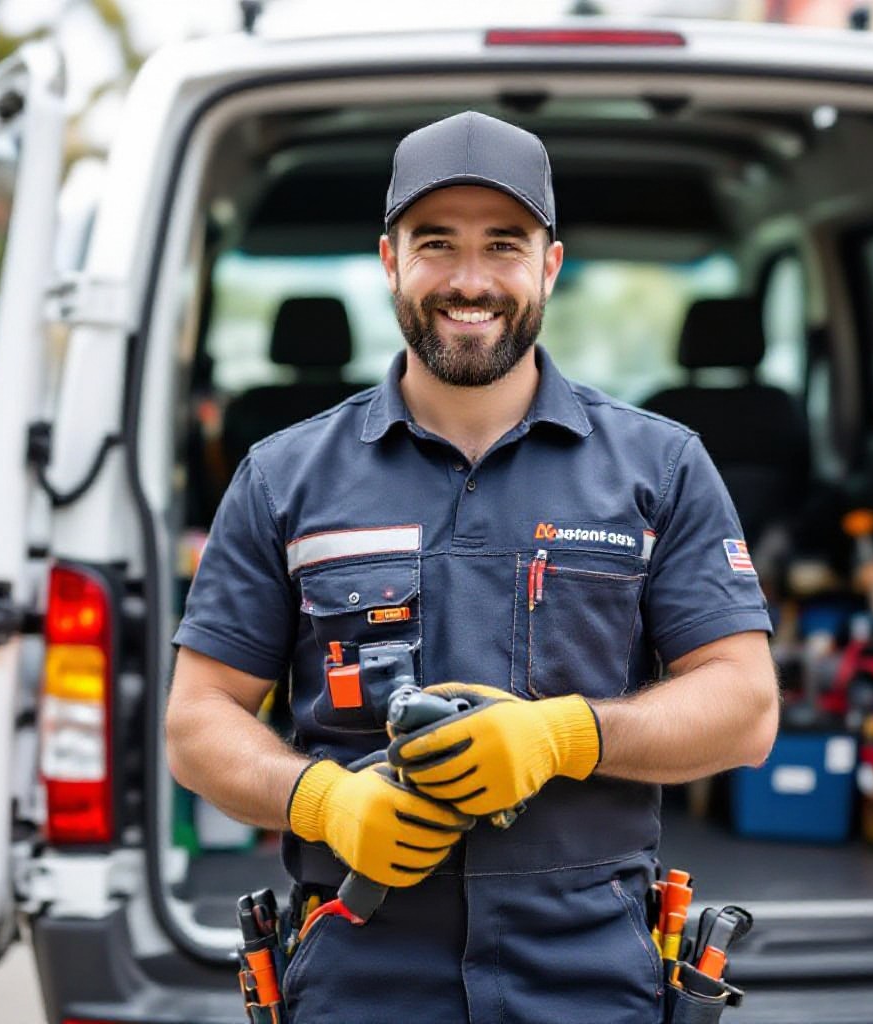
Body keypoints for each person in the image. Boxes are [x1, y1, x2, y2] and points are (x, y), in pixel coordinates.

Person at [167, 110, 779, 1024]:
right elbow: (195, 720)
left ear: (550, 264)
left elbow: (746, 707)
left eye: (504, 243)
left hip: (590, 976)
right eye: (435, 244)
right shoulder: (283, 477)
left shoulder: (661, 467)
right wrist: (320, 800)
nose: (469, 279)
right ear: (389, 262)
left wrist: (567, 737)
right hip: (357, 973)